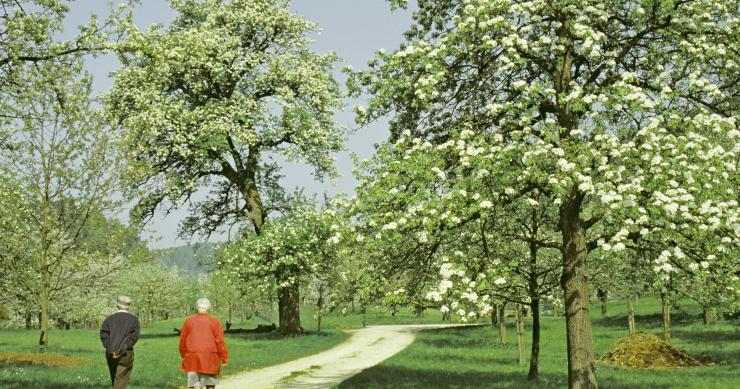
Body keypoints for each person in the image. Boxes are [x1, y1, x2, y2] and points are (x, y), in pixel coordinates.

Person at [179, 298, 229, 389]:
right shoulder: (215, 322)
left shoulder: (188, 321)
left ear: (197, 307)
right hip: (210, 357)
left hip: (192, 356)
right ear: (208, 307)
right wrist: (224, 357)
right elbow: (220, 341)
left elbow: (183, 340)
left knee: (194, 385)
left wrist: (184, 355)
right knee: (210, 384)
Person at [100, 295, 140, 389]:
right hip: (126, 354)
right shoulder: (134, 320)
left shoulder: (109, 319)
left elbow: (103, 334)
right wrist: (124, 347)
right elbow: (134, 337)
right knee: (121, 379)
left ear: (117, 305)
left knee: (115, 378)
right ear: (128, 306)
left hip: (111, 353)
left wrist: (109, 347)